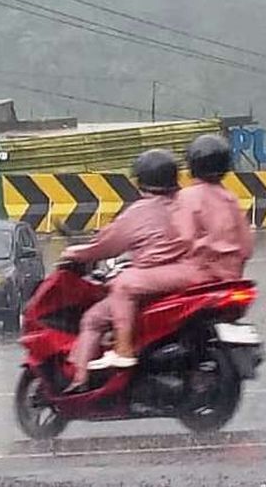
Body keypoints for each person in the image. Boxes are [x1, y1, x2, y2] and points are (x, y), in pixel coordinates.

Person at [60, 149, 191, 390]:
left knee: (93, 319)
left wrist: (72, 253)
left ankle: (80, 380)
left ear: (141, 180)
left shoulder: (139, 212)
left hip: (150, 282)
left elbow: (105, 245)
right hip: (189, 280)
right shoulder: (189, 203)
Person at [169, 134, 254, 284]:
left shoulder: (186, 196)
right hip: (231, 278)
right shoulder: (230, 199)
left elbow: (184, 239)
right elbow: (246, 247)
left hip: (195, 277)